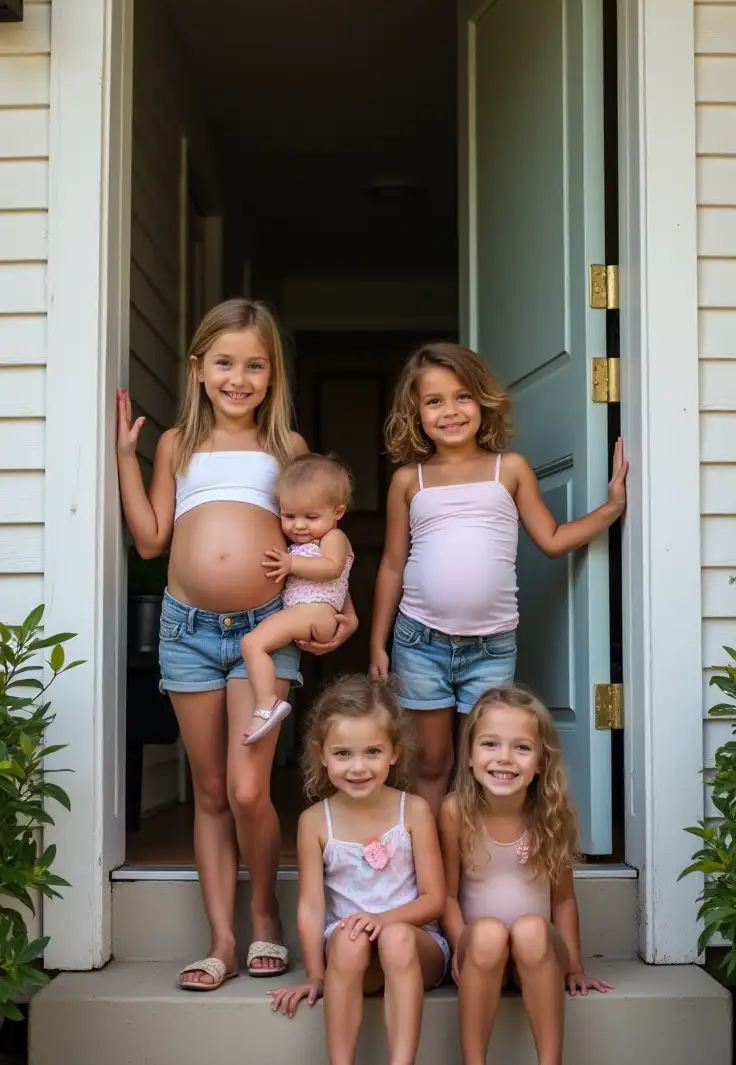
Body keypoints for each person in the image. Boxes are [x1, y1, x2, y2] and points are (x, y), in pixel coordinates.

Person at [116, 298, 357, 990]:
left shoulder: (289, 449)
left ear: (272, 374)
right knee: (212, 789)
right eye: (224, 363)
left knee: (252, 790)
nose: (238, 378)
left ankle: (265, 916)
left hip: (262, 631)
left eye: (254, 365)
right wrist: (125, 461)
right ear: (198, 369)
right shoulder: (177, 447)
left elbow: (326, 539)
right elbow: (151, 539)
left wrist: (342, 613)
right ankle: (222, 938)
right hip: (187, 631)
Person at [370, 342, 628, 813]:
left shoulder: (508, 469)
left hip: (490, 647)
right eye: (434, 401)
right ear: (415, 413)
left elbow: (550, 539)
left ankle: (480, 872)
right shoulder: (410, 479)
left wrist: (611, 509)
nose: (450, 411)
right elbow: (392, 563)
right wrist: (377, 643)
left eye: (462, 396)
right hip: (419, 642)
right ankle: (433, 873)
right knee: (431, 763)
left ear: (483, 401)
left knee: (488, 766)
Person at [268, 674, 449, 1065]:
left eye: (372, 752)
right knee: (347, 938)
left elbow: (434, 898)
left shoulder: (414, 812)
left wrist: (388, 921)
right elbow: (310, 905)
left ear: (394, 753)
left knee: (393, 939)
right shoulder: (314, 822)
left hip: (416, 945)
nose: (358, 766)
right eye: (343, 754)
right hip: (353, 956)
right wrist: (314, 973)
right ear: (320, 755)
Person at [438, 685, 613, 1065]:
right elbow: (449, 896)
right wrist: (461, 946)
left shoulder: (550, 815)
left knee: (533, 928)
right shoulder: (455, 812)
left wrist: (573, 964)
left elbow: (563, 900)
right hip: (482, 954)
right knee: (490, 932)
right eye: (490, 744)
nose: (505, 758)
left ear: (541, 762)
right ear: (470, 755)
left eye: (522, 747)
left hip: (539, 955)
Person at [241, 454, 353, 744]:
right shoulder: (307, 542)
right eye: (289, 516)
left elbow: (332, 569)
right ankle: (267, 702)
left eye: (311, 517)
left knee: (252, 643)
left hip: (314, 613)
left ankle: (266, 704)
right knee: (257, 644)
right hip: (309, 612)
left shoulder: (334, 538)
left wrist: (290, 564)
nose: (299, 526)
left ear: (338, 512)